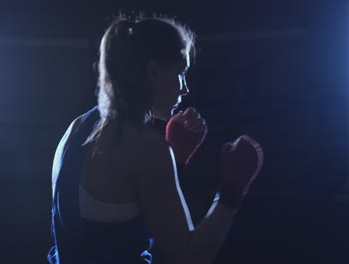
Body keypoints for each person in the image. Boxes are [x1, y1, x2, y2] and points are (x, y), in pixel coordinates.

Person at [47, 14, 263, 264]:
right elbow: (187, 257)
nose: (185, 88)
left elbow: (114, 211)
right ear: (153, 71)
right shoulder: (145, 147)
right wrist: (232, 190)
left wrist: (176, 160)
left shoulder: (77, 127)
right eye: (180, 73)